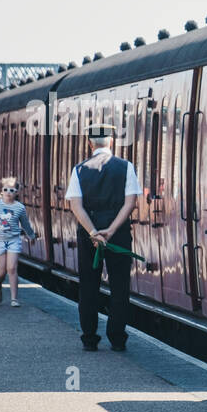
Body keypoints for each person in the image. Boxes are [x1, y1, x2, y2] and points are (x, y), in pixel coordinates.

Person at [65, 123, 139, 351]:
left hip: (90, 235)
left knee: (88, 285)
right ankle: (117, 337)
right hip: (118, 235)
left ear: (90, 143)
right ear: (112, 142)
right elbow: (130, 203)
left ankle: (89, 338)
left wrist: (93, 232)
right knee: (119, 286)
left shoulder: (79, 170)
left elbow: (75, 205)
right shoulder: (126, 167)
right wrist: (112, 229)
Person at [0, 176, 38, 307]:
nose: (8, 192)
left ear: (17, 192)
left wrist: (31, 236)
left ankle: (14, 299)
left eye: (12, 190)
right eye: (6, 189)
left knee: (12, 268)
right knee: (1, 272)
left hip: (13, 240)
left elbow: (25, 224)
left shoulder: (19, 208)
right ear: (1, 190)